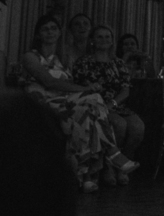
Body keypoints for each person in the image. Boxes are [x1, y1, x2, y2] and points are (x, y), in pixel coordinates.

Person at [20, 15, 137, 192]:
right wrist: (85, 89)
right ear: (38, 34)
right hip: (42, 103)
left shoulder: (62, 58)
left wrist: (88, 90)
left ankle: (88, 176)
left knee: (89, 111)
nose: (50, 32)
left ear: (59, 33)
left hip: (66, 101)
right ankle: (109, 156)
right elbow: (49, 82)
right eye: (45, 29)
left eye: (53, 28)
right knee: (92, 101)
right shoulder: (31, 56)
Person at [72, 25, 144, 186]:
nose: (104, 40)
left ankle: (123, 165)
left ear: (112, 41)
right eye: (100, 36)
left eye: (107, 37)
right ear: (92, 40)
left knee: (138, 127)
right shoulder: (83, 62)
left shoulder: (118, 63)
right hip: (94, 105)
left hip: (116, 104)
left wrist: (113, 103)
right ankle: (108, 166)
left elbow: (125, 90)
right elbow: (80, 86)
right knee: (119, 125)